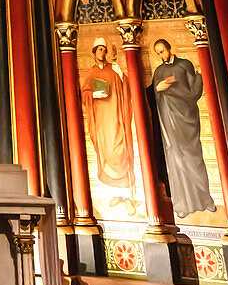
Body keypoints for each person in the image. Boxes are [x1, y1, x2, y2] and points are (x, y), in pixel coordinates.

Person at [151, 39, 216, 218]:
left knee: (194, 158)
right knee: (176, 159)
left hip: (186, 119)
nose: (161, 55)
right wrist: (158, 89)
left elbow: (194, 91)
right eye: (158, 53)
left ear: (170, 48)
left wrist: (200, 76)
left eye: (162, 51)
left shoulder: (184, 65)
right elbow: (154, 97)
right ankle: (183, 204)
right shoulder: (159, 71)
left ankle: (205, 199)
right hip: (169, 122)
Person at [81, 37, 136, 214]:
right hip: (102, 122)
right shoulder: (91, 72)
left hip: (116, 117)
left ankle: (128, 196)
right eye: (99, 50)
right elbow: (85, 95)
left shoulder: (114, 70)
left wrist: (121, 76)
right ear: (94, 52)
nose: (102, 53)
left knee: (120, 151)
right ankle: (116, 194)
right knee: (106, 154)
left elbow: (125, 89)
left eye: (104, 50)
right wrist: (94, 95)